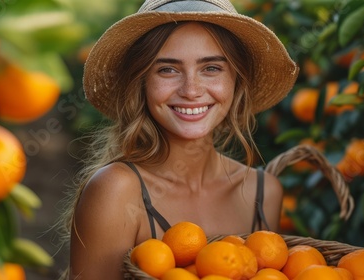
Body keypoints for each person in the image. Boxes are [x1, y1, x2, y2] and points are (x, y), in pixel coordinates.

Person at [65, 0, 298, 279]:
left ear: (237, 80)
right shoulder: (116, 192)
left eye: (211, 68)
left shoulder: (263, 193)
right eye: (168, 69)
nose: (191, 90)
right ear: (142, 83)